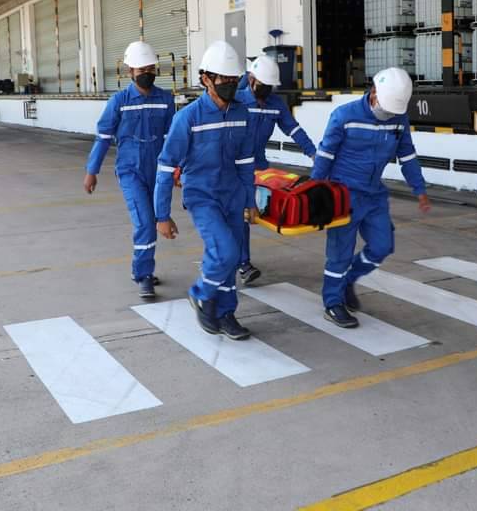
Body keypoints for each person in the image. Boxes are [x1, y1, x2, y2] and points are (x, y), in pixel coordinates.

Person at [310, 67, 431, 328]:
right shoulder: (344, 115)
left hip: (374, 195)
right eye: (386, 107)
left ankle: (348, 280)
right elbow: (325, 153)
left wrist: (419, 189)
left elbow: (407, 155)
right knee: (339, 254)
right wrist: (315, 189)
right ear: (374, 92)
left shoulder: (398, 119)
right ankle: (332, 303)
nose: (388, 114)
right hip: (343, 195)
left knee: (382, 246)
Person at [155, 40, 257, 340]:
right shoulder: (188, 118)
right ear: (206, 79)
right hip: (202, 196)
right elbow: (165, 168)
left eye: (233, 79)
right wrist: (162, 215)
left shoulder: (242, 113)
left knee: (230, 256)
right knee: (225, 251)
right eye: (223, 78)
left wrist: (250, 200)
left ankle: (225, 312)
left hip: (233, 195)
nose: (230, 84)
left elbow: (246, 162)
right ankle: (201, 293)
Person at [84, 41, 175, 299]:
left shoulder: (165, 100)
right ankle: (143, 274)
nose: (147, 73)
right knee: (145, 222)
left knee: (157, 219)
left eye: (150, 69)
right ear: (130, 72)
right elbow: (103, 137)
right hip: (130, 171)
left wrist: (180, 169)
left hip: (159, 171)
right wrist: (92, 170)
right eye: (141, 69)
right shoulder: (119, 101)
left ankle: (144, 269)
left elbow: (173, 139)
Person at [234, 54, 317, 285]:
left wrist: (313, 153)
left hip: (259, 165)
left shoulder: (275, 103)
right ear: (251, 79)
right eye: (263, 85)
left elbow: (293, 129)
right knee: (241, 212)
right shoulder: (237, 101)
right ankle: (243, 264)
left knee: (255, 209)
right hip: (235, 166)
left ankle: (237, 256)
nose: (266, 90)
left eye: (270, 86)